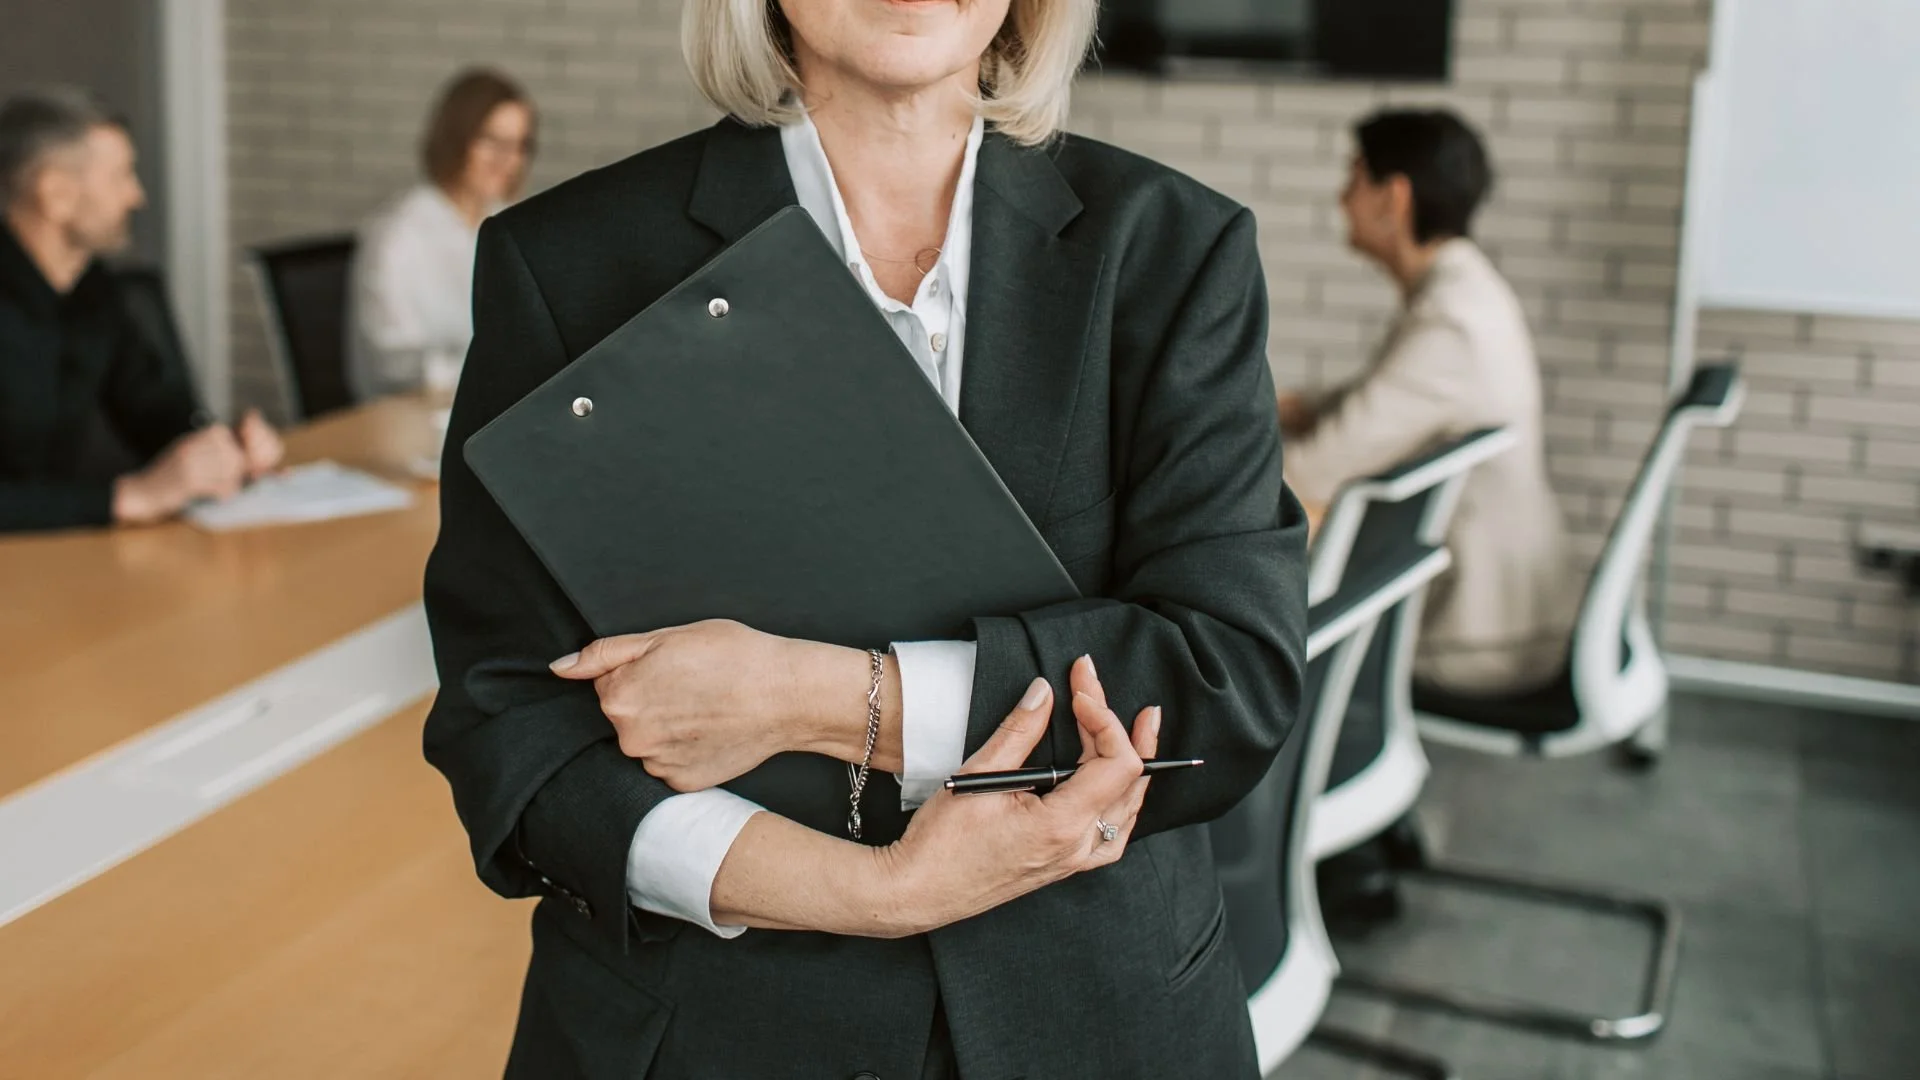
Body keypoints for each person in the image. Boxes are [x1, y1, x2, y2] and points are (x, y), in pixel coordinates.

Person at [422, 0, 1309, 1075]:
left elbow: (1229, 676)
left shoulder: (1175, 250)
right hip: (714, 1028)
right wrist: (878, 894)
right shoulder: (566, 262)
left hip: (1093, 1013)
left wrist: (807, 694)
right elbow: (507, 716)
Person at [1280, 108, 1576, 698]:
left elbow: (1313, 468)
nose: (1342, 199)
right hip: (1503, 615)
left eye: (1354, 178)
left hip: (1480, 641)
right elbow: (1365, 403)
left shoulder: (1451, 322)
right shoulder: (1462, 293)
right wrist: (1279, 403)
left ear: (1393, 197)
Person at [0, 87, 281, 535]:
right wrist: (128, 496)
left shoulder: (93, 290)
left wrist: (222, 448)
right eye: (120, 177)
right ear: (56, 195)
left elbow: (151, 408)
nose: (137, 197)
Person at [346, 68, 536, 401]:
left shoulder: (506, 224)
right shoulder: (397, 234)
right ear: (456, 138)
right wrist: (496, 364)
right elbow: (391, 364)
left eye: (519, 145)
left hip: (484, 403)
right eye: (493, 141)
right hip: (405, 416)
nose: (509, 161)